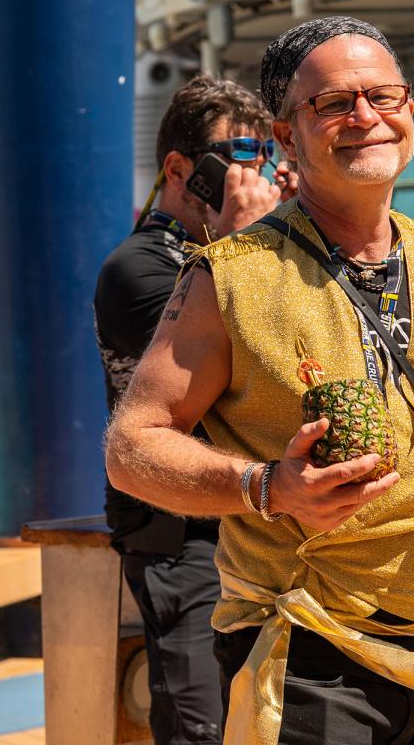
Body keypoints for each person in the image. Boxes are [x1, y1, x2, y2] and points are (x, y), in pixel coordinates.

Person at [105, 16, 414, 745]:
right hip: (303, 655)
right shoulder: (229, 277)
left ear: (410, 110)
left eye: (382, 95)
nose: (366, 116)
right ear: (286, 136)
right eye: (333, 103)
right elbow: (132, 446)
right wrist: (267, 488)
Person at [93, 74, 294, 745]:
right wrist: (253, 237)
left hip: (262, 520)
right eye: (236, 158)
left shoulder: (246, 252)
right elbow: (250, 358)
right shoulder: (137, 268)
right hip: (182, 536)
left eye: (263, 157)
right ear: (180, 169)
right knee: (201, 727)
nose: (254, 176)